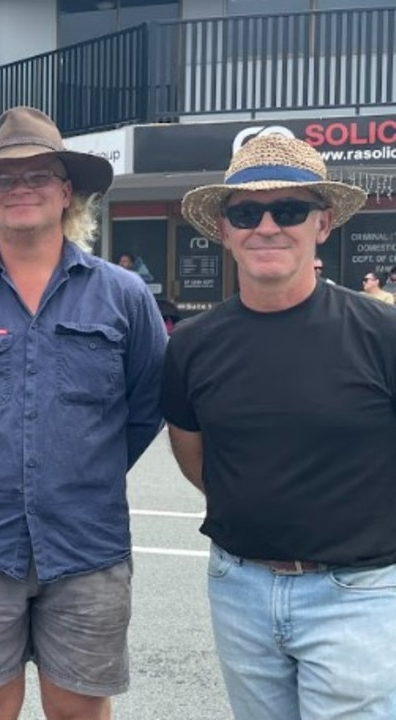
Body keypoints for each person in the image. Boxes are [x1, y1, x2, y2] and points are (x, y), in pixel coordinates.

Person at [0, 106, 166, 720]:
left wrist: (82, 464)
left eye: (39, 175)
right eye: (4, 179)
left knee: (78, 710)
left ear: (67, 191)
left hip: (88, 545)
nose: (21, 189)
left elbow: (147, 404)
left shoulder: (123, 296)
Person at [162, 134, 396, 720]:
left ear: (321, 224)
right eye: (247, 212)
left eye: (288, 210)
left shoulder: (380, 333)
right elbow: (195, 454)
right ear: (224, 229)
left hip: (358, 593)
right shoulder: (192, 344)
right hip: (239, 587)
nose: (267, 226)